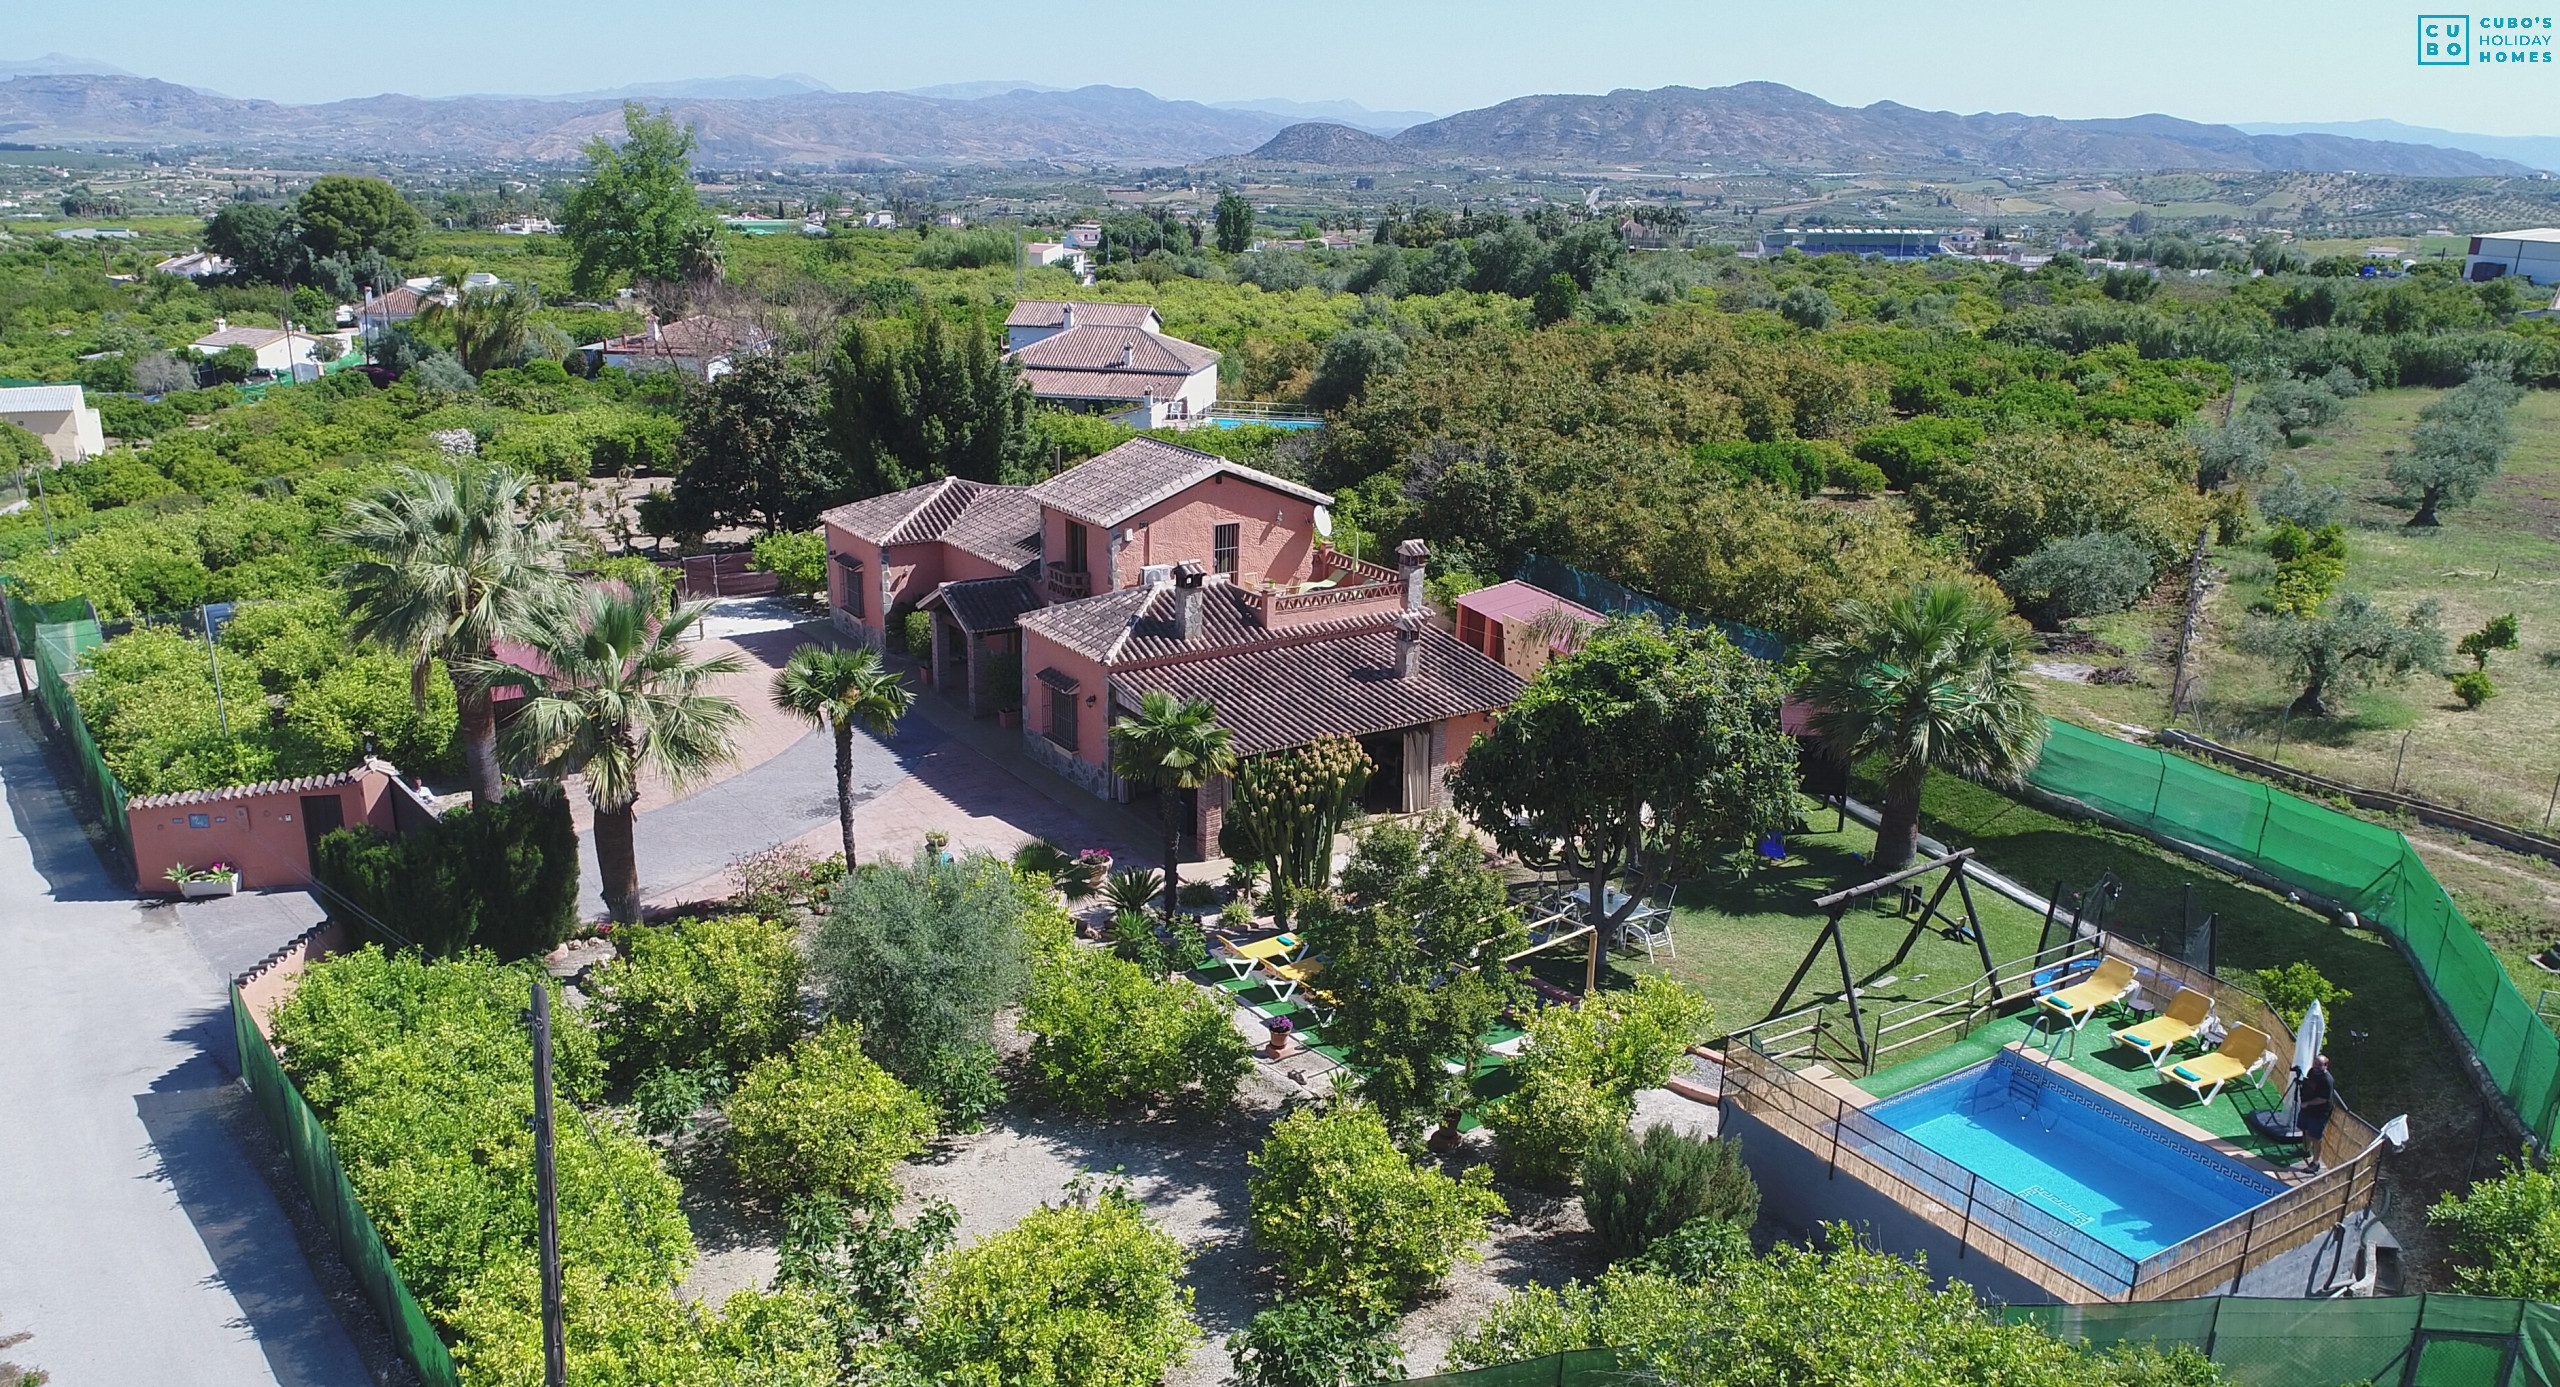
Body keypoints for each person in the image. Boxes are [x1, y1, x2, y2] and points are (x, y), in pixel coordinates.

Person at [2297, 1052, 2336, 1174]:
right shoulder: (2311, 1072)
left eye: (2319, 1065)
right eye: (2315, 1063)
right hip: (2307, 1108)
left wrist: (2308, 1103)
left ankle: (2315, 1163)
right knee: (2305, 1130)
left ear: (2326, 1066)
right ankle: (2305, 1150)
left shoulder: (2327, 1080)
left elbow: (2323, 1099)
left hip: (2319, 1112)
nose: (2316, 1066)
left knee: (2316, 1137)